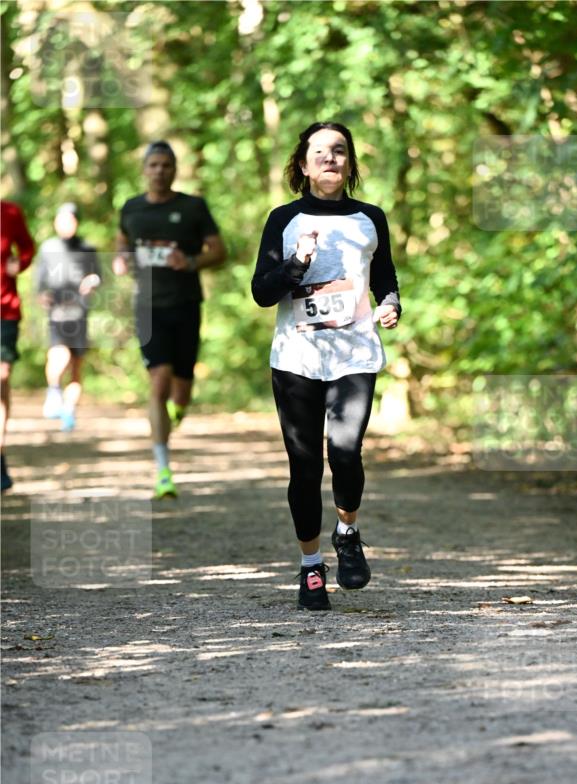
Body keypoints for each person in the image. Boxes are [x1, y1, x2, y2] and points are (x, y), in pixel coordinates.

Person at [251, 121, 401, 611]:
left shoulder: (370, 218)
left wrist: (391, 304)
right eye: (320, 152)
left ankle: (348, 532)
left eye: (340, 151)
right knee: (305, 465)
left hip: (354, 353)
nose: (330, 158)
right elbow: (261, 292)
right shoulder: (283, 219)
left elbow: (386, 279)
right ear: (303, 164)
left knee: (346, 451)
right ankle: (310, 567)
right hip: (296, 357)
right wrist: (297, 263)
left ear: (351, 163)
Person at [113, 141, 226, 499]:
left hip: (186, 304)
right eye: (154, 165)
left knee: (181, 390)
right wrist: (121, 260)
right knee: (158, 382)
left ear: (175, 170)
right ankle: (163, 470)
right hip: (148, 307)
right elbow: (121, 243)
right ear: (144, 169)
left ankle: (174, 415)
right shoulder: (131, 208)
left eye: (166, 165)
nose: (160, 171)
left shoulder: (192, 207)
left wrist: (190, 262)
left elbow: (219, 251)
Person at [36, 202, 102, 431]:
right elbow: (39, 280)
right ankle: (53, 391)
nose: (67, 224)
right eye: (62, 219)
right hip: (57, 312)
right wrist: (42, 295)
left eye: (71, 219)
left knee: (76, 366)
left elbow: (98, 277)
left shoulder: (87, 249)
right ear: (56, 222)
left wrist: (91, 282)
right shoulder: (48, 248)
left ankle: (68, 410)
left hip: (80, 313)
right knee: (59, 356)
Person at [1, 200, 35, 491]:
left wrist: (20, 263)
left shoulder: (11, 212)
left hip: (5, 310)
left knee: (1, 379)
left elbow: (27, 246)